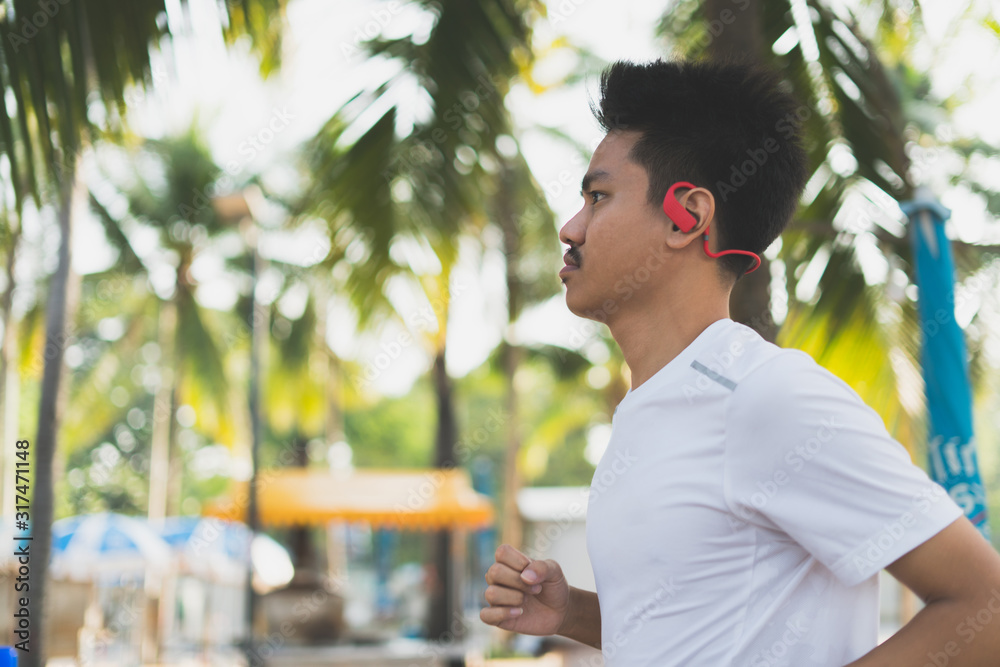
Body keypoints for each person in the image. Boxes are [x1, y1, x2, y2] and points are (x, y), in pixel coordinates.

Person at [479, 59, 1000, 666]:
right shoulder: (650, 410)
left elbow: (982, 605)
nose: (571, 228)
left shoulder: (767, 395)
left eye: (598, 197)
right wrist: (574, 614)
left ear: (688, 216)